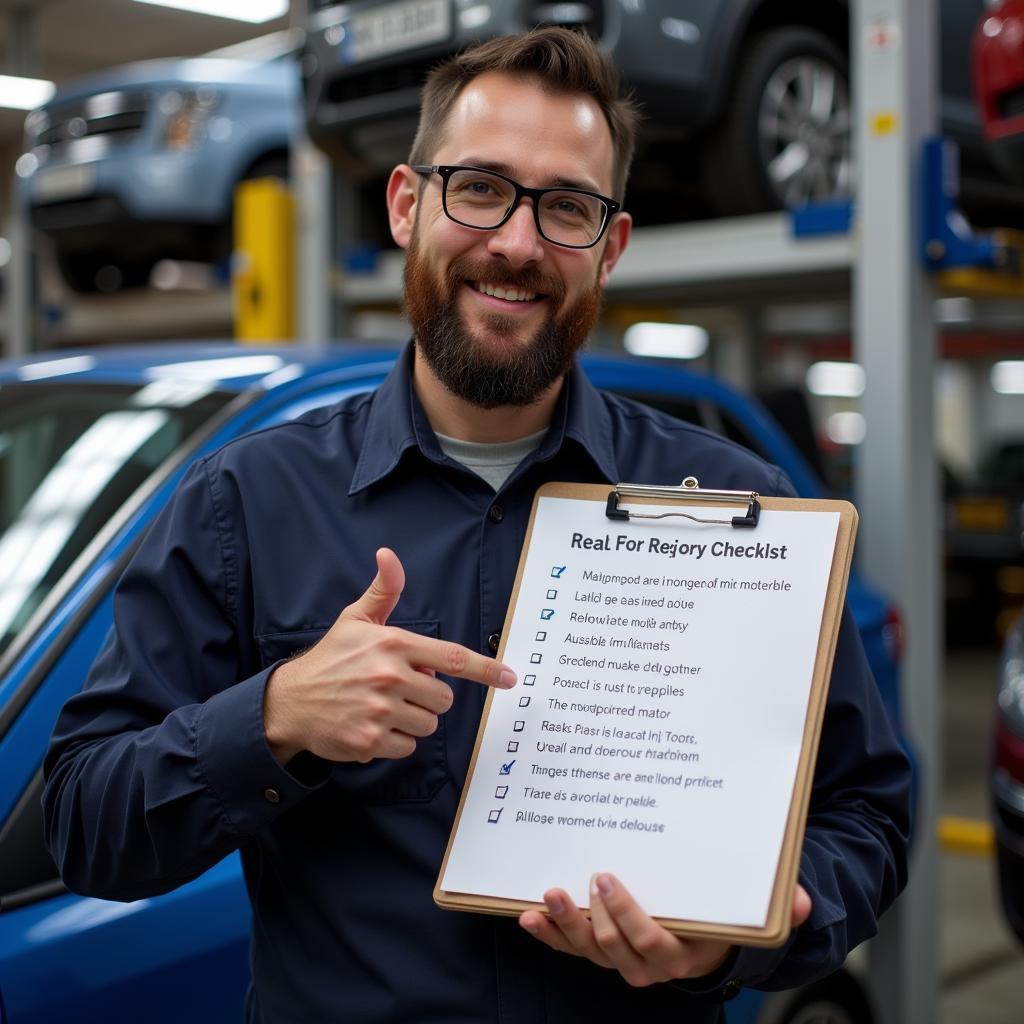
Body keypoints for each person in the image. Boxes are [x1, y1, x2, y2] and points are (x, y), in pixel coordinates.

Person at [43, 27, 911, 1024]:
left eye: (567, 208)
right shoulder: (245, 503)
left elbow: (866, 815)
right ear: (409, 205)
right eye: (481, 188)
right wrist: (273, 714)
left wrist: (748, 931)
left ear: (609, 248)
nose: (517, 243)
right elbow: (83, 823)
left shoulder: (734, 503)